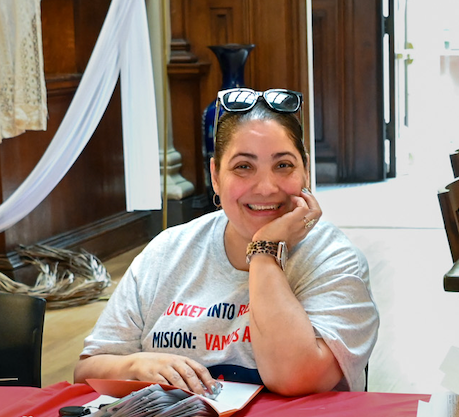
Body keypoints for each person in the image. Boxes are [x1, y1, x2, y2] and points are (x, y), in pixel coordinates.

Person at [75, 88, 378, 395]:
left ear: (305, 171)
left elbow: (295, 378)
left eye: (283, 165)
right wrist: (134, 366)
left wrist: (264, 252)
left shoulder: (335, 259)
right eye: (243, 167)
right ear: (216, 177)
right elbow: (87, 370)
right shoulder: (167, 252)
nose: (265, 187)